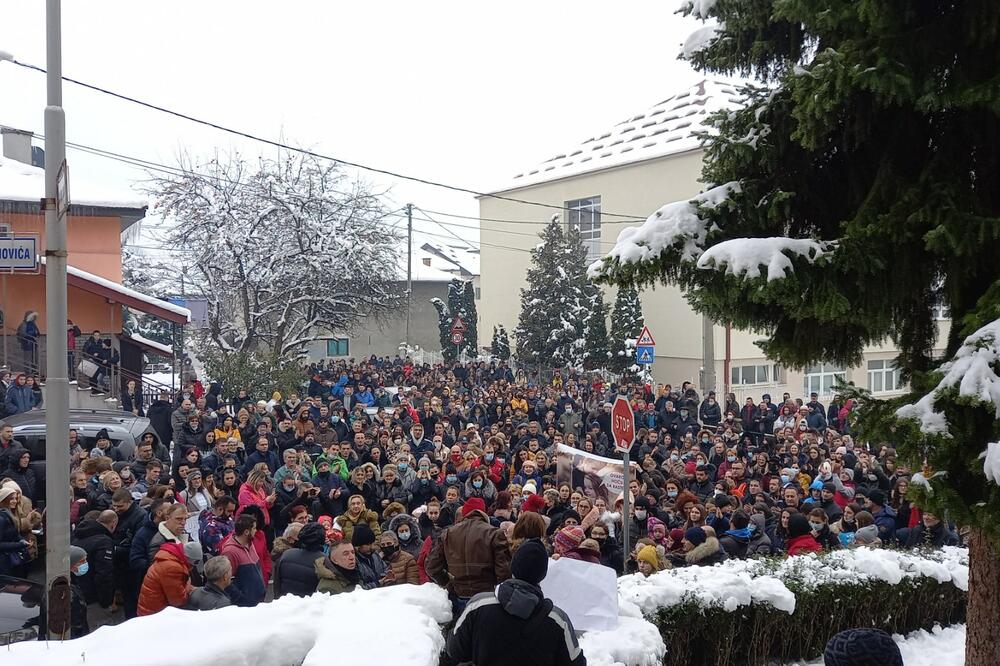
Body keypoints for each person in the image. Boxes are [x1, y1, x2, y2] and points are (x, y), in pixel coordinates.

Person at [446, 538, 586, 666]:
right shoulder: (558, 619)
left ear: (513, 566)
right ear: (542, 574)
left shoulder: (478, 605)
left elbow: (454, 650)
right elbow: (576, 663)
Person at [426, 497, 512, 615]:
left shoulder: (447, 534)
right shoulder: (494, 533)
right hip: (487, 596)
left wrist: (448, 581)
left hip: (459, 594)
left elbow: (431, 566)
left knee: (463, 630)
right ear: (483, 513)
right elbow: (504, 572)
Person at [138, 540, 202, 616]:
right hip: (155, 615)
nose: (191, 568)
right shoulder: (172, 568)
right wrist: (188, 583)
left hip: (151, 609)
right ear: (188, 559)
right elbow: (178, 601)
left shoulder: (170, 558)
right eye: (192, 564)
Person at [71, 510, 118, 609]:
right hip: (93, 594)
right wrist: (106, 600)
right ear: (113, 524)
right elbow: (104, 573)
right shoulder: (104, 542)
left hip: (76, 588)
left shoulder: (78, 534)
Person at [221, 513, 266, 606]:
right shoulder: (230, 551)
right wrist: (242, 599)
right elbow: (226, 581)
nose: (256, 530)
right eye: (254, 528)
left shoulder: (250, 543)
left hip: (258, 601)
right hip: (245, 606)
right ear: (246, 532)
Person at [273, 521, 325, 598]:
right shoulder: (323, 560)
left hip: (286, 602)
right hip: (309, 605)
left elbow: (277, 584)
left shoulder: (287, 554)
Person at [351, 523, 394, 589]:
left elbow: (385, 568)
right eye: (368, 544)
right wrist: (378, 583)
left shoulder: (375, 555)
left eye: (372, 543)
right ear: (358, 546)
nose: (372, 547)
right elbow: (359, 588)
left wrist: (387, 576)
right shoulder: (353, 561)